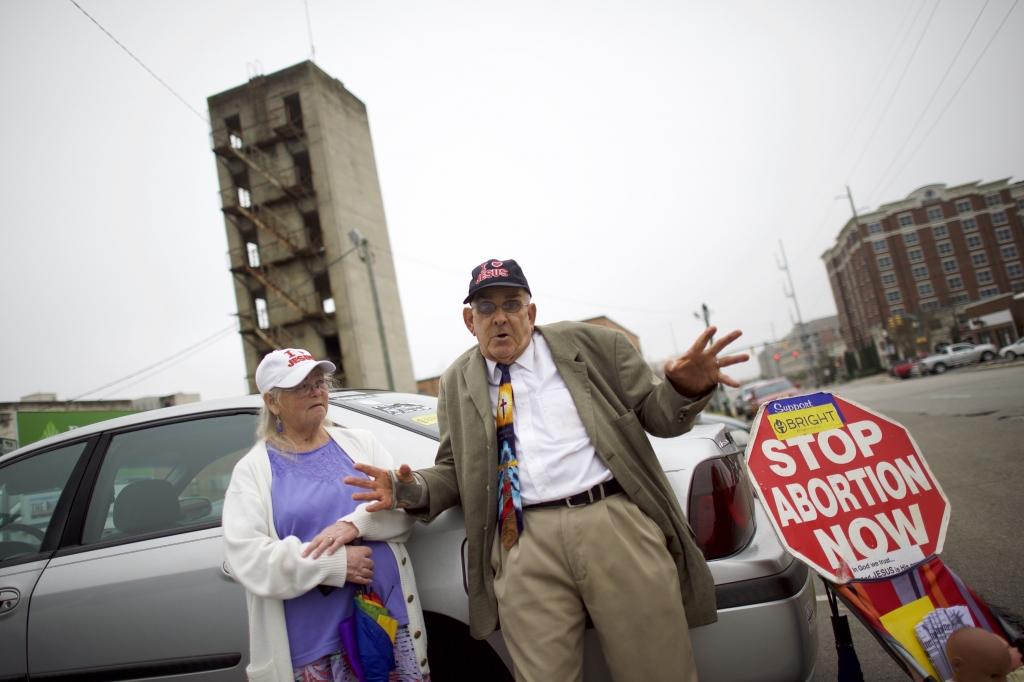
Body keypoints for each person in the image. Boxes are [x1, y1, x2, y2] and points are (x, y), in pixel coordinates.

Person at [347, 259, 748, 682]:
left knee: (657, 669)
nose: (499, 318)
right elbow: (454, 468)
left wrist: (685, 387)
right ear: (470, 320)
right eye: (485, 307)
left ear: (531, 313)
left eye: (511, 304)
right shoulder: (456, 382)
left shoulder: (596, 347)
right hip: (521, 540)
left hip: (612, 523)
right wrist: (411, 489)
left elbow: (659, 417)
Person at [222, 348, 430, 682]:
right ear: (272, 402)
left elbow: (402, 512)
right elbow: (246, 558)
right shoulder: (253, 471)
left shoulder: (361, 443)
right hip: (315, 650)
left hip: (389, 626)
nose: (317, 391)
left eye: (320, 382)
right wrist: (332, 564)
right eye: (302, 386)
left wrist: (353, 524)